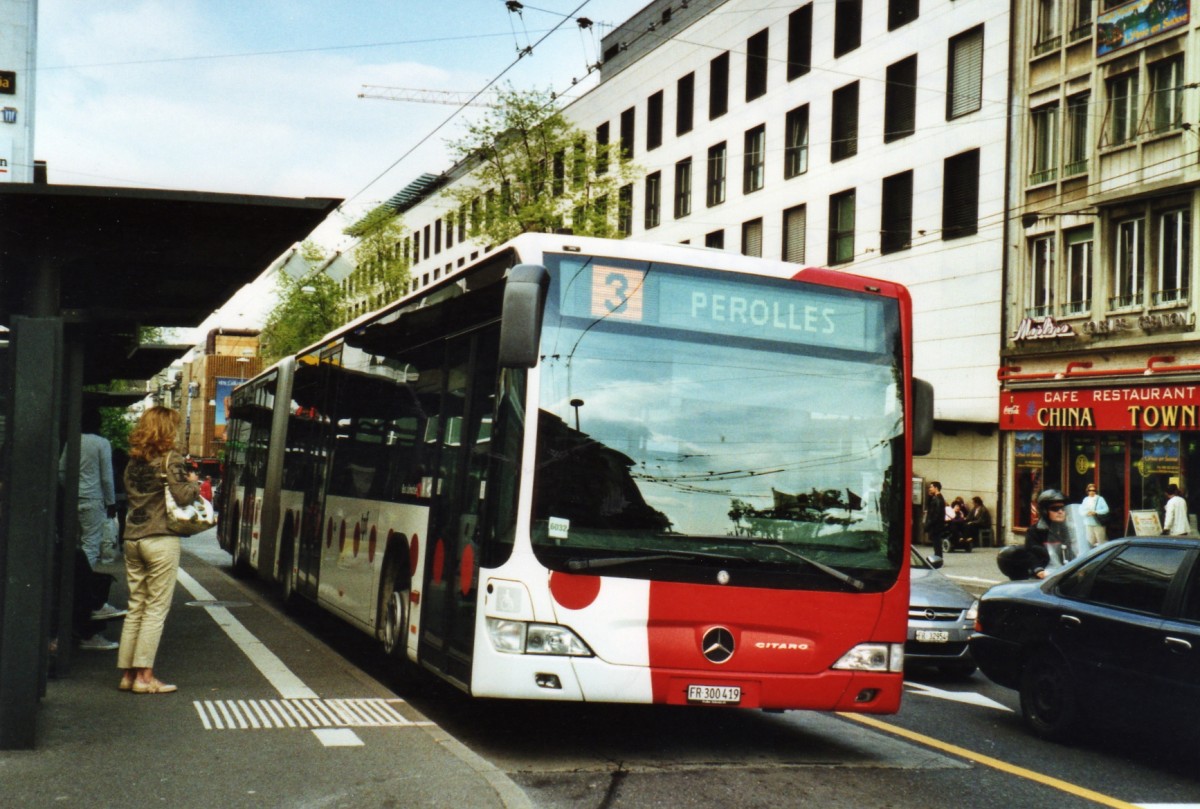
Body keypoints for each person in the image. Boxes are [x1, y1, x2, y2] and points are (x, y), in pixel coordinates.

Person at [117, 406, 199, 695]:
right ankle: (145, 677)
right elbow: (183, 496)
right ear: (167, 429)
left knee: (136, 605)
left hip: (132, 538)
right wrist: (195, 484)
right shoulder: (170, 459)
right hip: (160, 538)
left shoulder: (133, 461)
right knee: (155, 608)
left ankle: (128, 674)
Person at [58, 409, 117, 569]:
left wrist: (69, 489)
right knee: (90, 544)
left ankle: (71, 579)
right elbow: (106, 476)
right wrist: (111, 502)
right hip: (93, 499)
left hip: (72, 498)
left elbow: (61, 470)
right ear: (99, 424)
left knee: (74, 542)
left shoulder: (72, 441)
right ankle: (83, 580)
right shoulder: (102, 443)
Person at [1025, 489, 1070, 575]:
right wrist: (1038, 570)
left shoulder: (1069, 529)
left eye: (1063, 508)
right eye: (1055, 508)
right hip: (1048, 576)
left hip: (1070, 573)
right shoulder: (1035, 531)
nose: (1060, 511)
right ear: (1044, 511)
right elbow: (1031, 553)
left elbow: (1079, 549)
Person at [923, 481, 946, 550]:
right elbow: (929, 506)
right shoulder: (936, 498)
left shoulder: (938, 499)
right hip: (936, 524)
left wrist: (929, 524)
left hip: (936, 525)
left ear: (936, 488)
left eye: (931, 487)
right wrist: (930, 496)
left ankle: (938, 557)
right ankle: (938, 557)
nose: (930, 489)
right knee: (936, 543)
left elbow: (936, 514)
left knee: (937, 543)